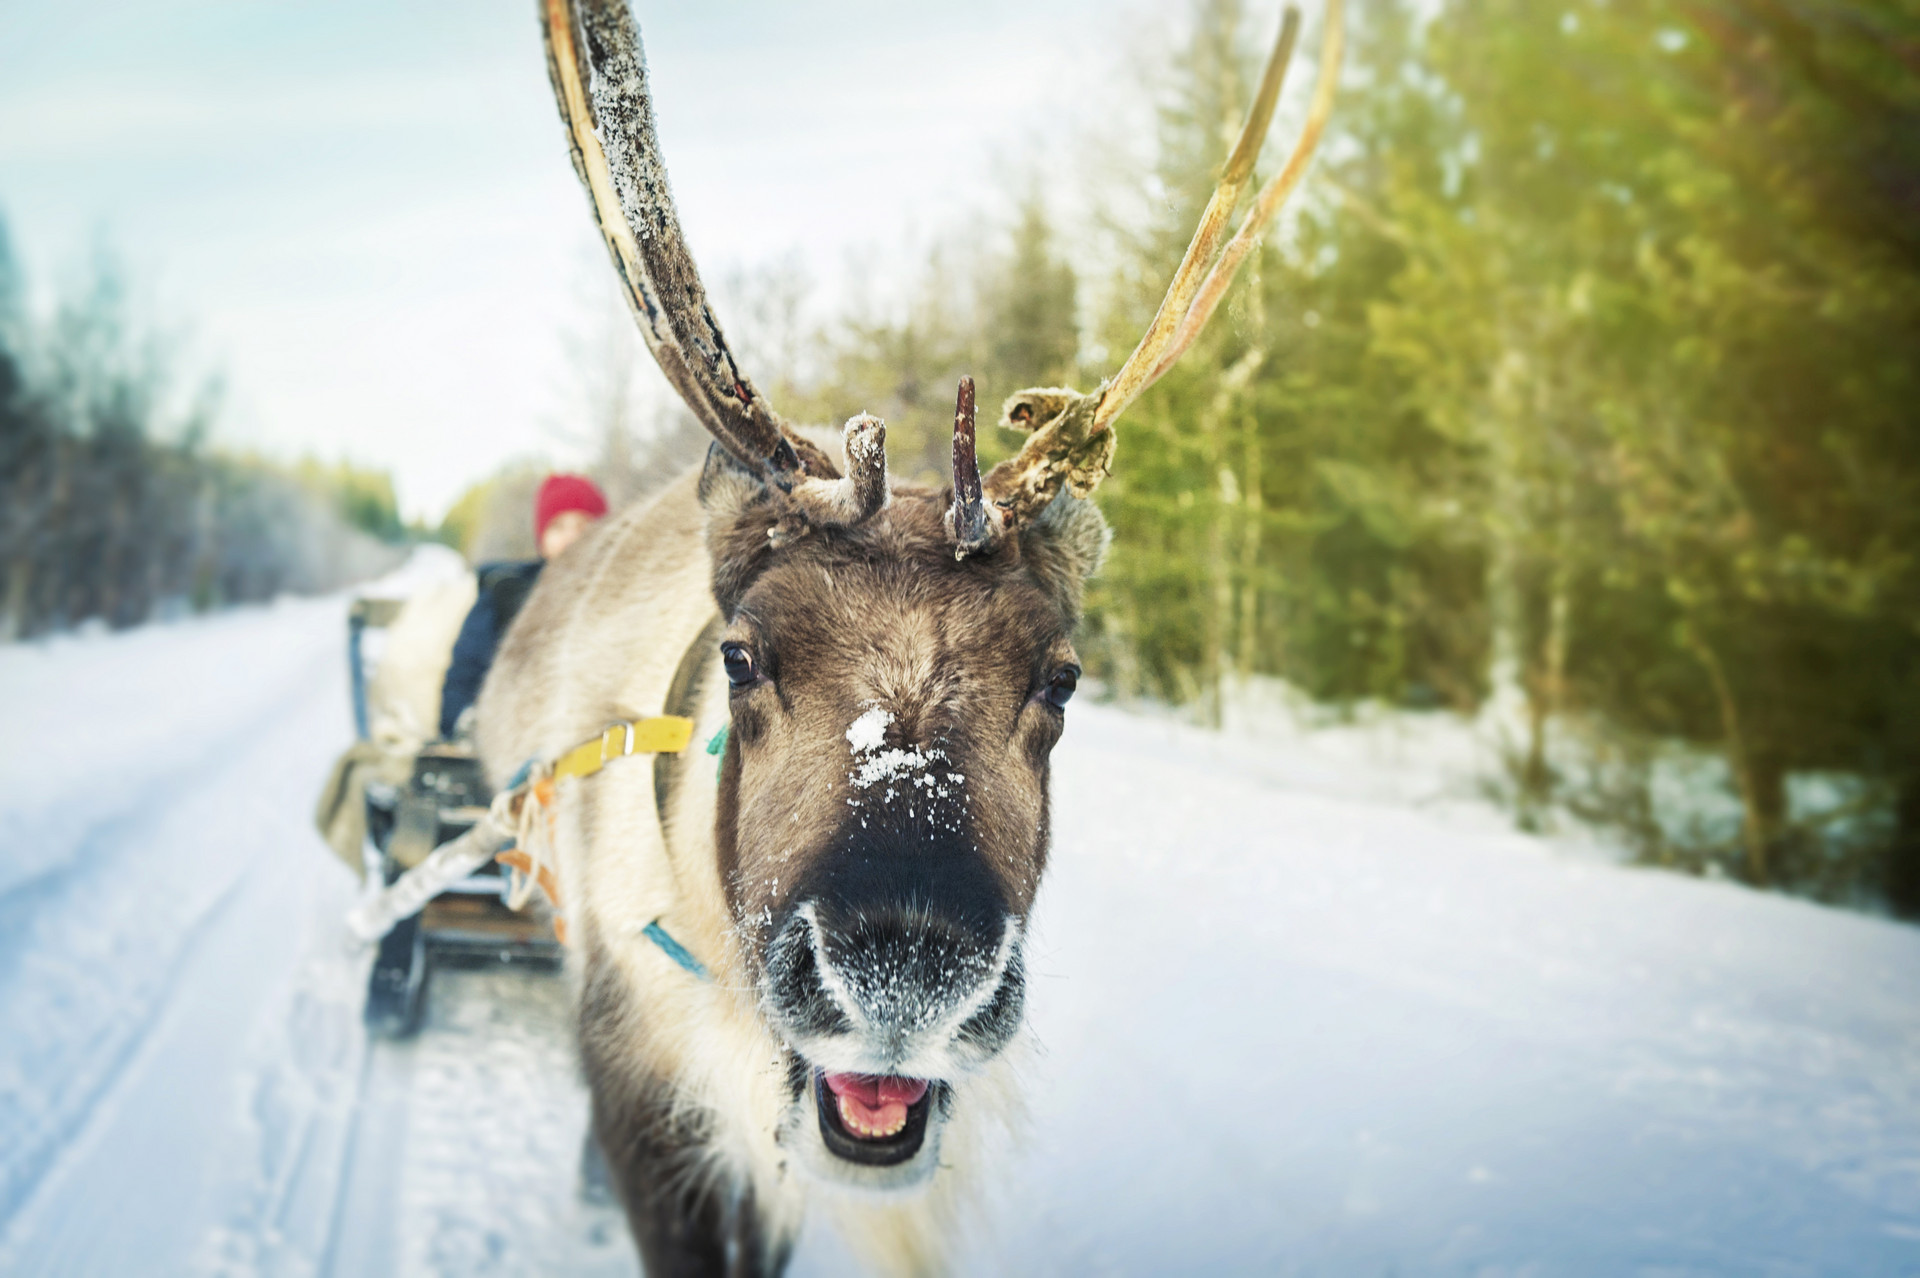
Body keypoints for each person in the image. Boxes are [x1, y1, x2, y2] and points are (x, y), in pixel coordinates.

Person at [438, 473, 607, 738]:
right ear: (542, 537)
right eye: (559, 528)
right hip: (512, 735)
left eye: (584, 526)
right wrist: (462, 722)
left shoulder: (616, 593)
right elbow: (466, 670)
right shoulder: (507, 592)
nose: (573, 539)